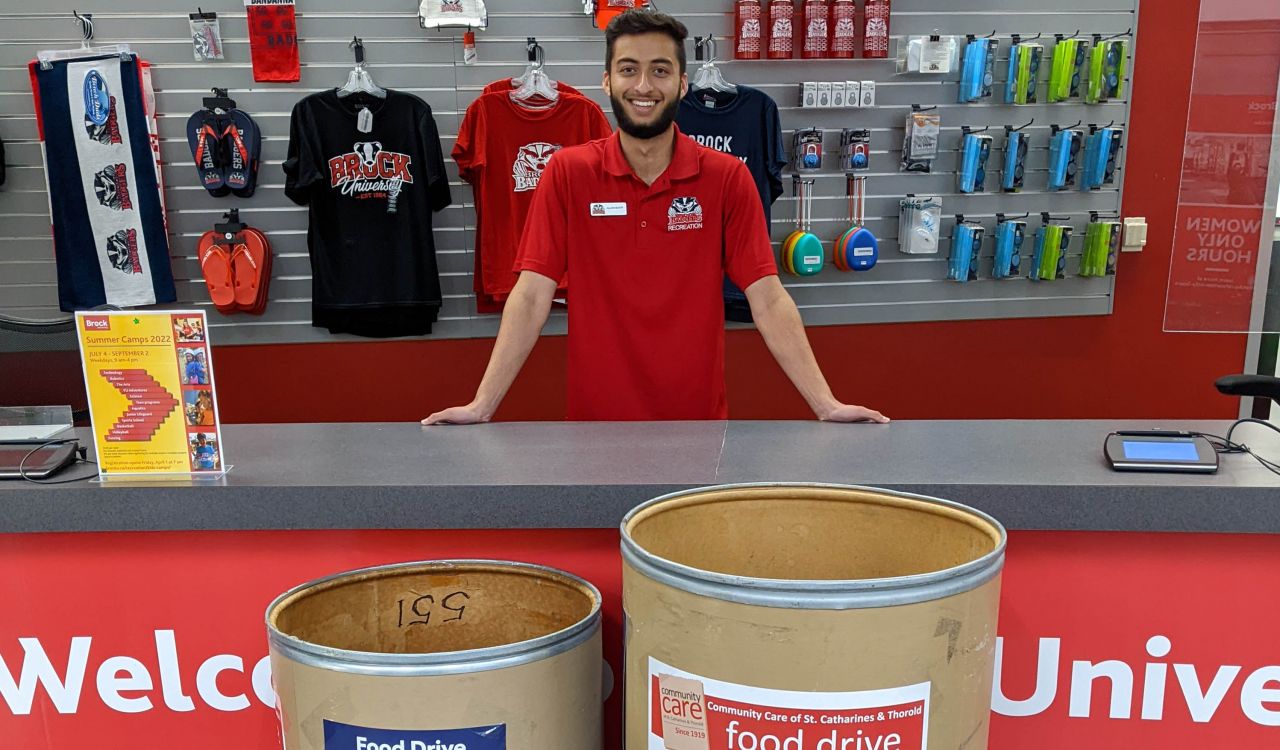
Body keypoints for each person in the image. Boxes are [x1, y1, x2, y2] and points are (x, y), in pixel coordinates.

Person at [424, 10, 886, 425]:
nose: (643, 86)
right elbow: (530, 296)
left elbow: (767, 296)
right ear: (607, 81)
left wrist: (826, 404)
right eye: (629, 69)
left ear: (683, 84)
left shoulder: (727, 178)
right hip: (593, 424)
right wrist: (481, 405)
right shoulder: (568, 172)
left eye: (660, 71)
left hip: (698, 424)